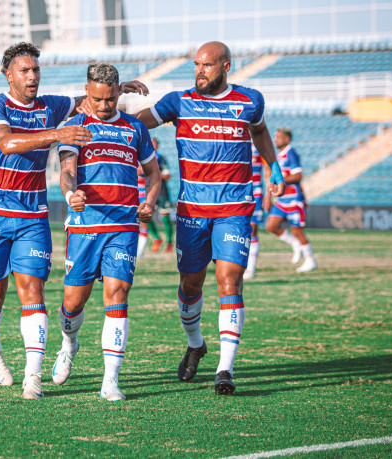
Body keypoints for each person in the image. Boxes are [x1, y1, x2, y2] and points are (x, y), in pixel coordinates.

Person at [0, 42, 146, 399]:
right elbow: (6, 143)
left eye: (36, 70)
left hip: (33, 215)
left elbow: (88, 99)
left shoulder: (51, 105)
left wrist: (121, 86)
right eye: (25, 71)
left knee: (33, 289)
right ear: (9, 75)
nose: (32, 76)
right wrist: (56, 134)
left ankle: (32, 374)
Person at [134, 41, 285, 395]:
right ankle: (196, 343)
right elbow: (139, 123)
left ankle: (225, 369)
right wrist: (115, 110)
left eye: (208, 65)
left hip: (234, 208)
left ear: (226, 66)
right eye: (197, 65)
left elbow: (260, 131)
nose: (200, 71)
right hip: (192, 210)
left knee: (229, 282)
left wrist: (273, 165)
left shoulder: (250, 101)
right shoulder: (179, 101)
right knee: (190, 286)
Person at [53, 63, 160, 401]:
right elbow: (67, 172)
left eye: (110, 99)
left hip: (123, 227)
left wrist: (150, 202)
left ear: (118, 93)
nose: (103, 106)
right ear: (88, 92)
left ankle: (111, 380)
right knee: (72, 304)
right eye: (97, 99)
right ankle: (69, 343)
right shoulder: (75, 126)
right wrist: (72, 195)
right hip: (85, 227)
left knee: (118, 293)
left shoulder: (135, 129)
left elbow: (153, 174)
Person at [265, 128, 317, 273]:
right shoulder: (279, 155)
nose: (276, 140)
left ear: (287, 139)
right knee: (271, 226)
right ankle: (295, 244)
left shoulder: (291, 153)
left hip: (294, 199)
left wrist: (280, 179)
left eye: (279, 137)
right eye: (275, 137)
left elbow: (298, 176)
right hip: (282, 200)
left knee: (297, 231)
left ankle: (310, 260)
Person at [243, 145, 270, 279]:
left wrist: (269, 195)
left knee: (252, 230)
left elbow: (267, 169)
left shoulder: (259, 145)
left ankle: (251, 268)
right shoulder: (235, 139)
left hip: (255, 194)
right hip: (237, 193)